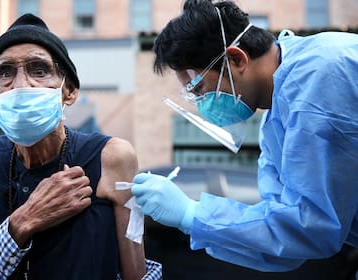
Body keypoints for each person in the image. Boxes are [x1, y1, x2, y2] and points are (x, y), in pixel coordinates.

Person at [131, 0, 358, 277]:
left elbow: (313, 229)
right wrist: (192, 220)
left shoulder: (320, 75)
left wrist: (192, 213)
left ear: (237, 58)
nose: (202, 102)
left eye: (199, 87)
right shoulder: (274, 126)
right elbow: (286, 243)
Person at [0, 13, 162, 280]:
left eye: (39, 69)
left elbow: (137, 275)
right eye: (5, 72)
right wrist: (24, 221)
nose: (21, 86)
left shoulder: (111, 158)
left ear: (68, 90)